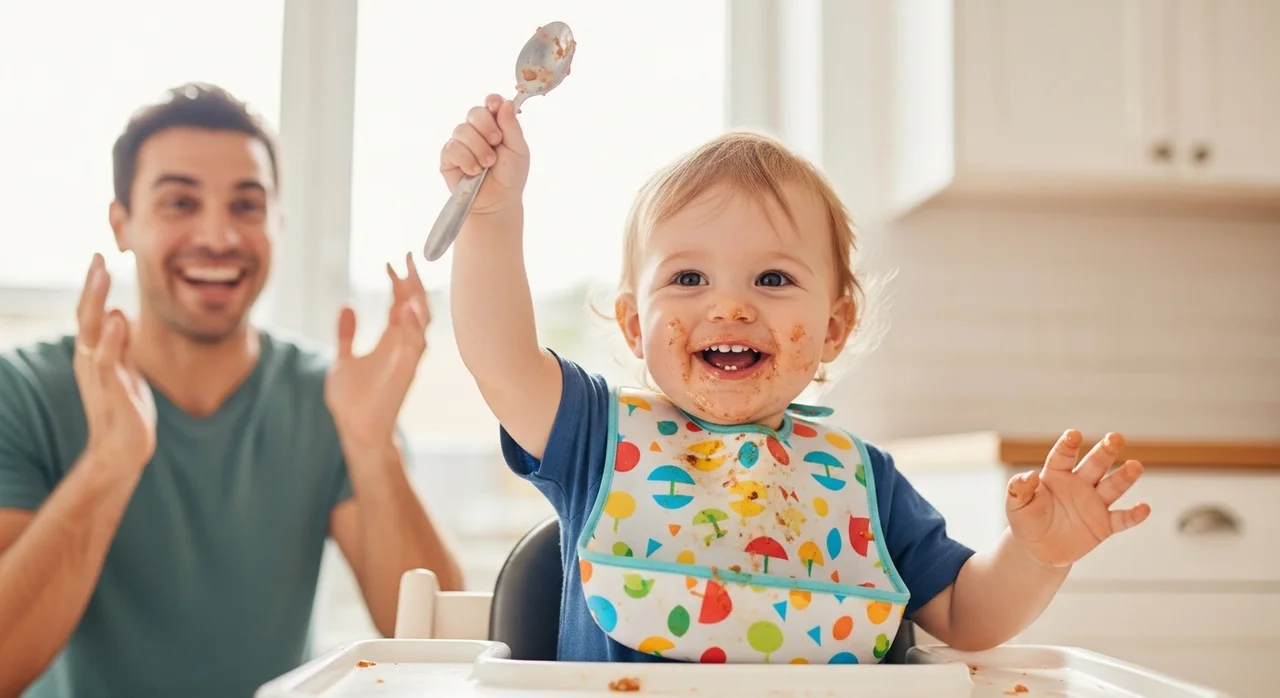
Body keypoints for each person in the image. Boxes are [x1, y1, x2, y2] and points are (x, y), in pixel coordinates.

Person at [439, 93, 1153, 664]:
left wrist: (1035, 555)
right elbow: (501, 359)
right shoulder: (597, 437)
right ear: (633, 324)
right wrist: (492, 216)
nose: (729, 306)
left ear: (834, 327)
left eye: (773, 279)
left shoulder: (862, 485)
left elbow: (968, 617)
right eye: (688, 278)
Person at [0, 83, 463, 698]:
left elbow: (442, 645)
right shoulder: (25, 392)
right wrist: (109, 460)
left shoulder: (330, 398)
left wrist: (371, 446)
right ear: (122, 224)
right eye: (179, 203)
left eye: (246, 205)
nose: (218, 237)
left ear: (278, 223)